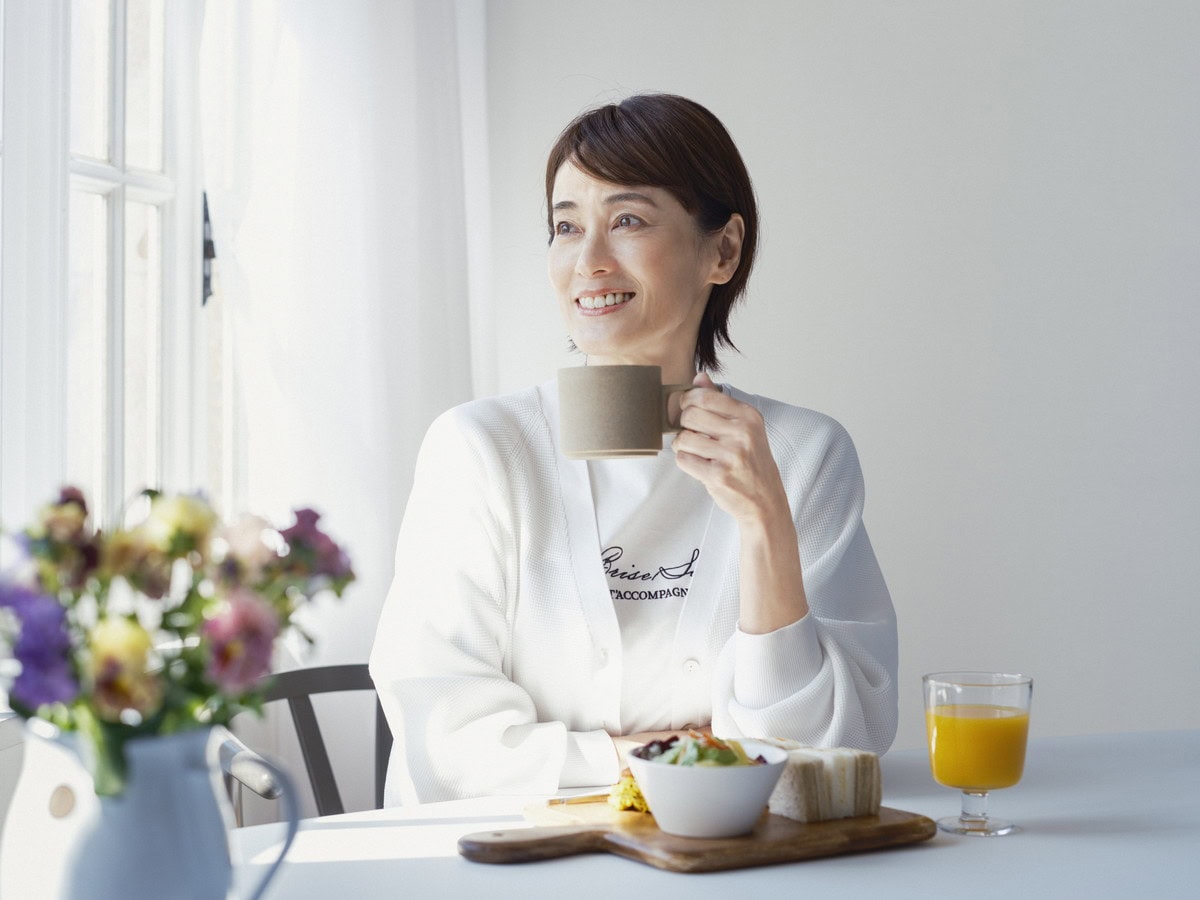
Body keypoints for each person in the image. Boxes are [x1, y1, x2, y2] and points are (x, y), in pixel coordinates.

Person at [369, 93, 898, 805]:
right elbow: (445, 738)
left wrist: (766, 524)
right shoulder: (482, 451)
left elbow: (836, 751)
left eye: (627, 221)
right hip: (511, 863)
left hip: (727, 865)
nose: (587, 261)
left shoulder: (804, 455)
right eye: (565, 226)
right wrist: (660, 757)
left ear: (724, 249)